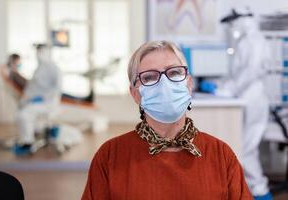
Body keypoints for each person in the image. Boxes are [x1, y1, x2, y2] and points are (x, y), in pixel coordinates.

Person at [81, 41, 252, 199]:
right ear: (135, 94)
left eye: (174, 72)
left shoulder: (221, 156)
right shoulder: (111, 156)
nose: (164, 84)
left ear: (189, 85)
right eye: (149, 77)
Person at [201, 9, 273, 200]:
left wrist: (225, 91)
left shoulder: (254, 42)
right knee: (244, 148)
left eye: (233, 22)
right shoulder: (244, 42)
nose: (231, 27)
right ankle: (252, 191)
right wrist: (220, 87)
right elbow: (236, 75)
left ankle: (261, 193)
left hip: (253, 100)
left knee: (246, 150)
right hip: (246, 99)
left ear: (243, 20)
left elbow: (248, 74)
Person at [14, 44, 63, 155]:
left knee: (24, 115)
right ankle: (47, 131)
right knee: (24, 114)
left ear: (47, 52)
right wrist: (26, 100)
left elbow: (57, 89)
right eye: (38, 52)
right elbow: (32, 88)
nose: (39, 55)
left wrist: (44, 97)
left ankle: (27, 143)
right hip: (38, 102)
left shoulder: (53, 68)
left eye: (41, 52)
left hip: (48, 103)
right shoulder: (39, 68)